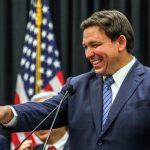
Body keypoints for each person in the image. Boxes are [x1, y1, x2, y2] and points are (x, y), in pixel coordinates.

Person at [0, 10, 150, 150]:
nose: (88, 54)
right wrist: (6, 112)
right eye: (85, 47)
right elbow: (44, 111)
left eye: (95, 45)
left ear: (121, 43)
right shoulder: (77, 86)